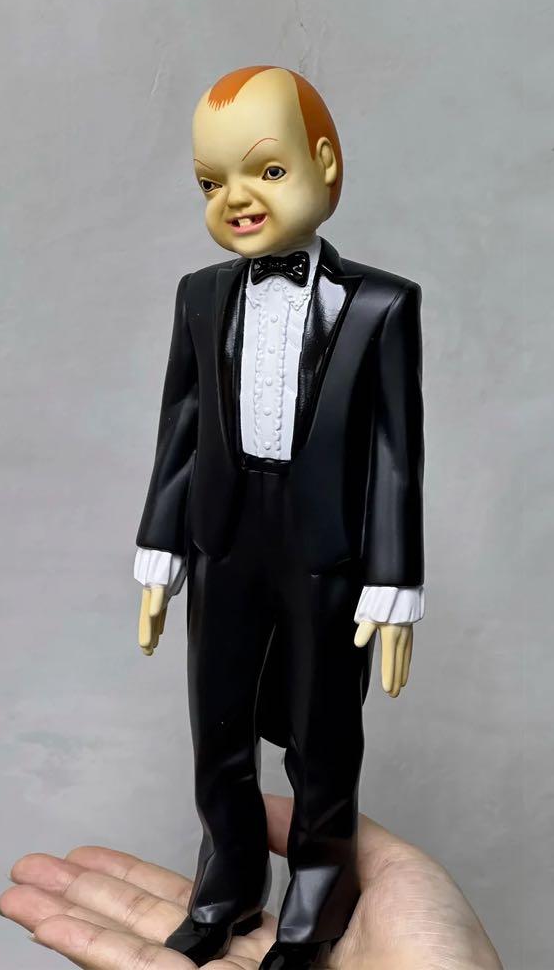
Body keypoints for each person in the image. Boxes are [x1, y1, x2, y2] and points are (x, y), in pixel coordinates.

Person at [131, 66, 425, 968]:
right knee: (216, 725)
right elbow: (181, 428)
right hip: (221, 538)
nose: (237, 199)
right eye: (210, 182)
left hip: (324, 549)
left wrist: (394, 582)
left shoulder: (381, 305)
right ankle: (225, 883)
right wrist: (158, 550)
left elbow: (395, 454)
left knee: (320, 732)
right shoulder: (199, 295)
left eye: (266, 170)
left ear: (324, 166)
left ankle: (317, 901)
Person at [0, 792, 504, 970]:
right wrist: (161, 569)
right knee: (220, 749)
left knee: (323, 761)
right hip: (220, 586)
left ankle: (312, 928)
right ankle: (225, 902)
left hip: (328, 594)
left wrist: (394, 587)